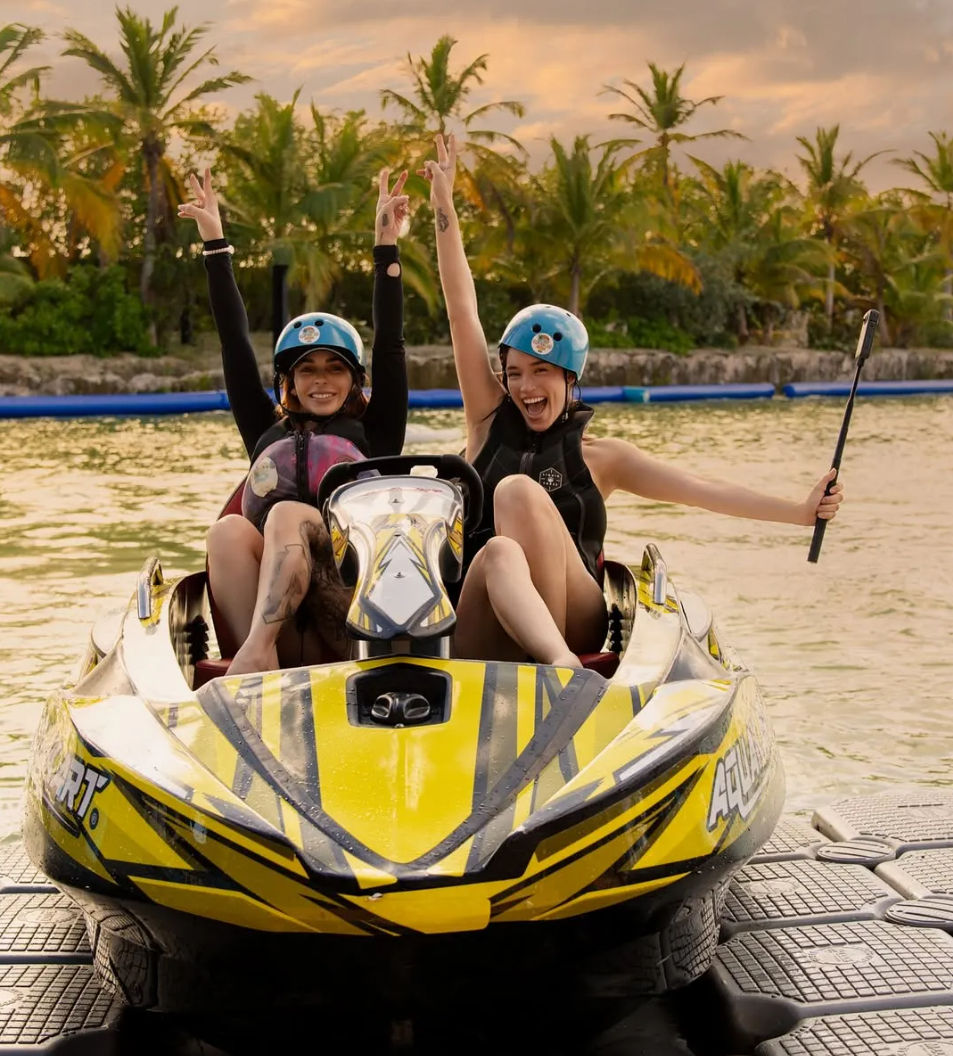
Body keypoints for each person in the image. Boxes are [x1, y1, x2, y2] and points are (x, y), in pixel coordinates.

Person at [419, 133, 844, 669]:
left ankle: (559, 669)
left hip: (571, 618)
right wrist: (445, 208)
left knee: (518, 493)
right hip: (490, 618)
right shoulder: (487, 421)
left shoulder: (605, 459)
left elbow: (702, 490)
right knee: (500, 549)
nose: (527, 387)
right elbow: (462, 309)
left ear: (570, 378)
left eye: (543, 372)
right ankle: (541, 667)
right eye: (517, 373)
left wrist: (801, 513)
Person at [178, 166, 409, 675]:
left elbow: (390, 342)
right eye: (307, 370)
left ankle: (257, 654)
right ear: (288, 379)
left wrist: (385, 249)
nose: (321, 381)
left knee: (286, 515)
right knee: (226, 534)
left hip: (349, 607)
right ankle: (256, 668)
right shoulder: (266, 431)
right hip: (281, 621)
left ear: (355, 380)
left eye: (335, 369)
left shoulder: (376, 431)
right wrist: (215, 244)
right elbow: (235, 344)